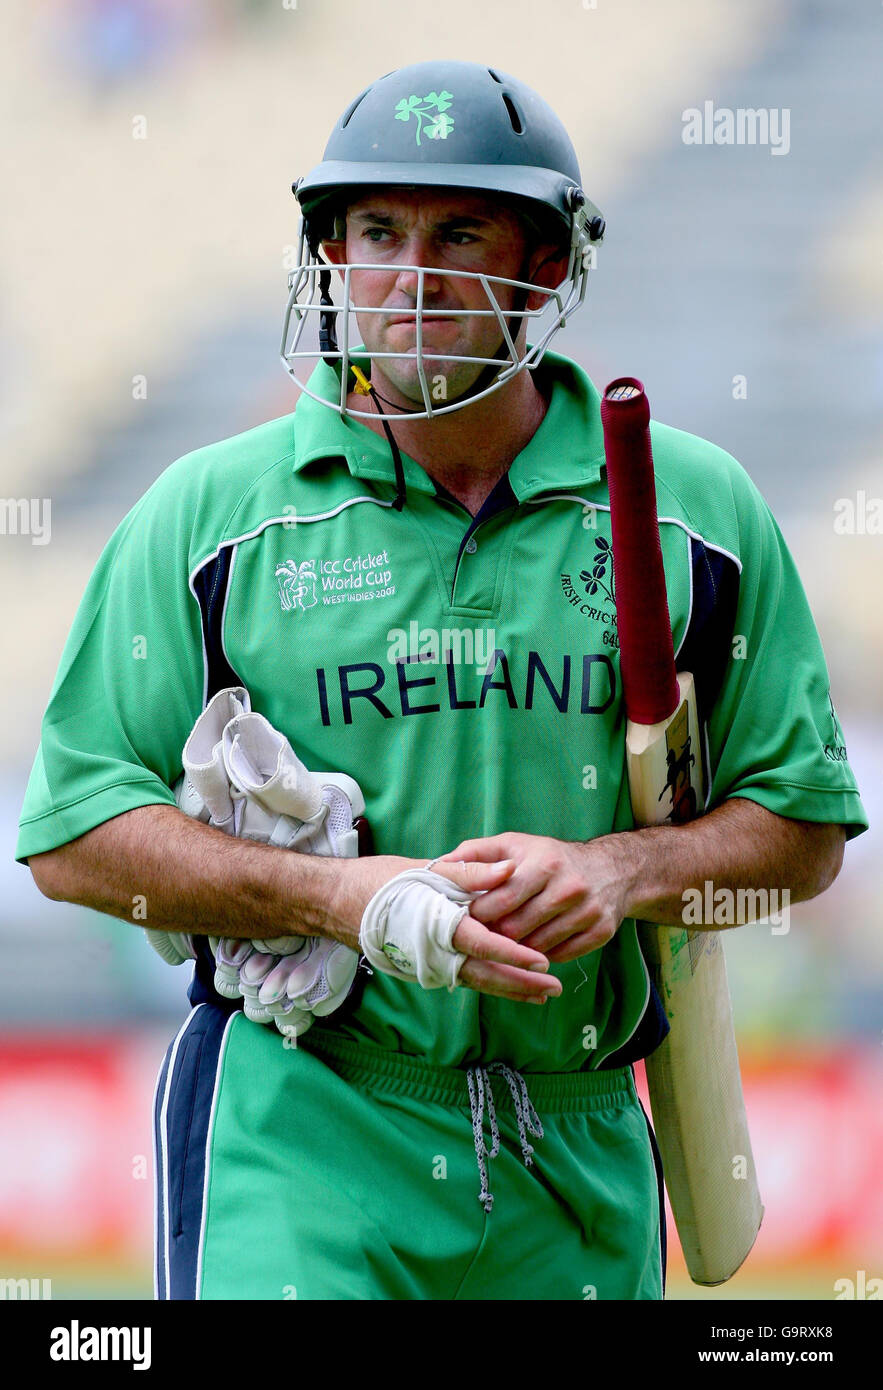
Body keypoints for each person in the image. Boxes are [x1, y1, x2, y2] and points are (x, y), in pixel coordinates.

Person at [18, 59, 867, 1301]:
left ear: (543, 269)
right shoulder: (209, 517)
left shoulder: (695, 514)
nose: (409, 276)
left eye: (459, 231)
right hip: (309, 1117)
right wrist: (339, 896)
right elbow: (72, 834)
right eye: (375, 231)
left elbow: (801, 828)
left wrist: (621, 871)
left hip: (577, 1137)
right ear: (329, 253)